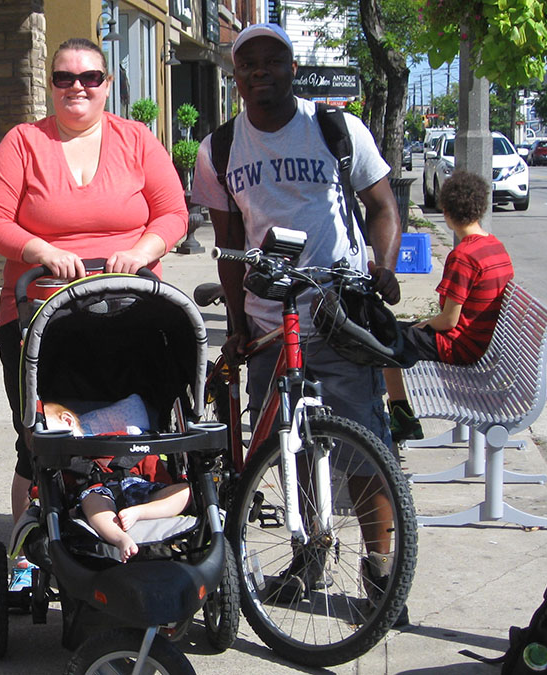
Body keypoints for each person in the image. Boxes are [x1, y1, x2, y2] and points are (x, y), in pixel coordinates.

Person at [188, 23, 405, 611]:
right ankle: (307, 556)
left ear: (291, 68)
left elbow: (383, 205)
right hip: (268, 324)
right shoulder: (223, 147)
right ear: (236, 79)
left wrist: (382, 267)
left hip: (339, 315)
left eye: (273, 62)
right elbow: (229, 246)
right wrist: (236, 324)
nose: (262, 72)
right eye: (249, 65)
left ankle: (382, 571)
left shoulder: (335, 129)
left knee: (363, 448)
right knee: (289, 447)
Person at [0, 37, 188, 590]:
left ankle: (137, 517)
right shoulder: (23, 143)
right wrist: (41, 251)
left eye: (90, 77)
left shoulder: (136, 140)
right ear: (51, 84)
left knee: (144, 426)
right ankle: (29, 544)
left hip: (132, 312)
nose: (78, 87)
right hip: (41, 313)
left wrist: (142, 253)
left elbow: (173, 213)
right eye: (65, 77)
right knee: (41, 437)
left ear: (107, 84)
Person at [384, 170, 514, 443]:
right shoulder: (495, 246)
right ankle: (400, 414)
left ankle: (402, 416)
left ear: (447, 212)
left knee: (384, 340)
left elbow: (449, 321)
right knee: (396, 332)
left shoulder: (464, 256)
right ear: (480, 208)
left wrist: (424, 324)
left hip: (461, 347)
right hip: (484, 343)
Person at [43, 402, 191, 563]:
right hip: (100, 494)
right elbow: (54, 490)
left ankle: (141, 513)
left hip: (138, 488)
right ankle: (120, 539)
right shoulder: (65, 465)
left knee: (184, 491)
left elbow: (150, 464)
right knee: (92, 501)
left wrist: (164, 486)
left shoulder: (119, 438)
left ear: (68, 421)